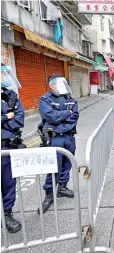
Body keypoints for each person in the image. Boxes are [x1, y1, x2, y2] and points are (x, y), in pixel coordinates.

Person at [38, 74, 79, 214]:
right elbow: (50, 116)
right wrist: (65, 114)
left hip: (68, 138)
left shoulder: (71, 100)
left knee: (67, 164)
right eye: (57, 84)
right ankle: (49, 194)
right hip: (54, 139)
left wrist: (59, 123)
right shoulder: (45, 99)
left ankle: (62, 187)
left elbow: (74, 117)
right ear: (51, 85)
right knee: (53, 167)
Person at [1, 64, 25, 233]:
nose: (6, 78)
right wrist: (4, 117)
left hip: (8, 145)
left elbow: (19, 119)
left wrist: (4, 121)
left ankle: (7, 214)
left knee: (9, 182)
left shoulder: (11, 97)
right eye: (3, 74)